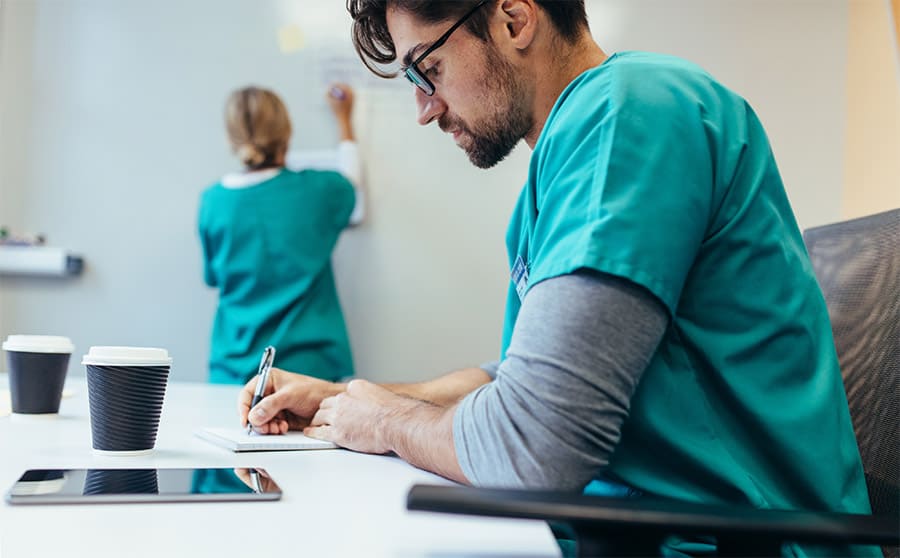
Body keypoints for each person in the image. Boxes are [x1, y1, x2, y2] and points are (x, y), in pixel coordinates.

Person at [239, 2, 875, 554]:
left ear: (514, 17)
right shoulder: (576, 150)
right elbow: (515, 379)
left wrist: (386, 423)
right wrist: (349, 399)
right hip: (638, 527)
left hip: (735, 541)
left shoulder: (630, 115)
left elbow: (533, 445)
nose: (423, 110)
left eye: (427, 69)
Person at [199, 83, 364, 384]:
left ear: (231, 139)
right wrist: (343, 119)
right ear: (286, 133)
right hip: (307, 374)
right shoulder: (318, 191)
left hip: (231, 375)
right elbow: (351, 181)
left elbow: (213, 277)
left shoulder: (213, 202)